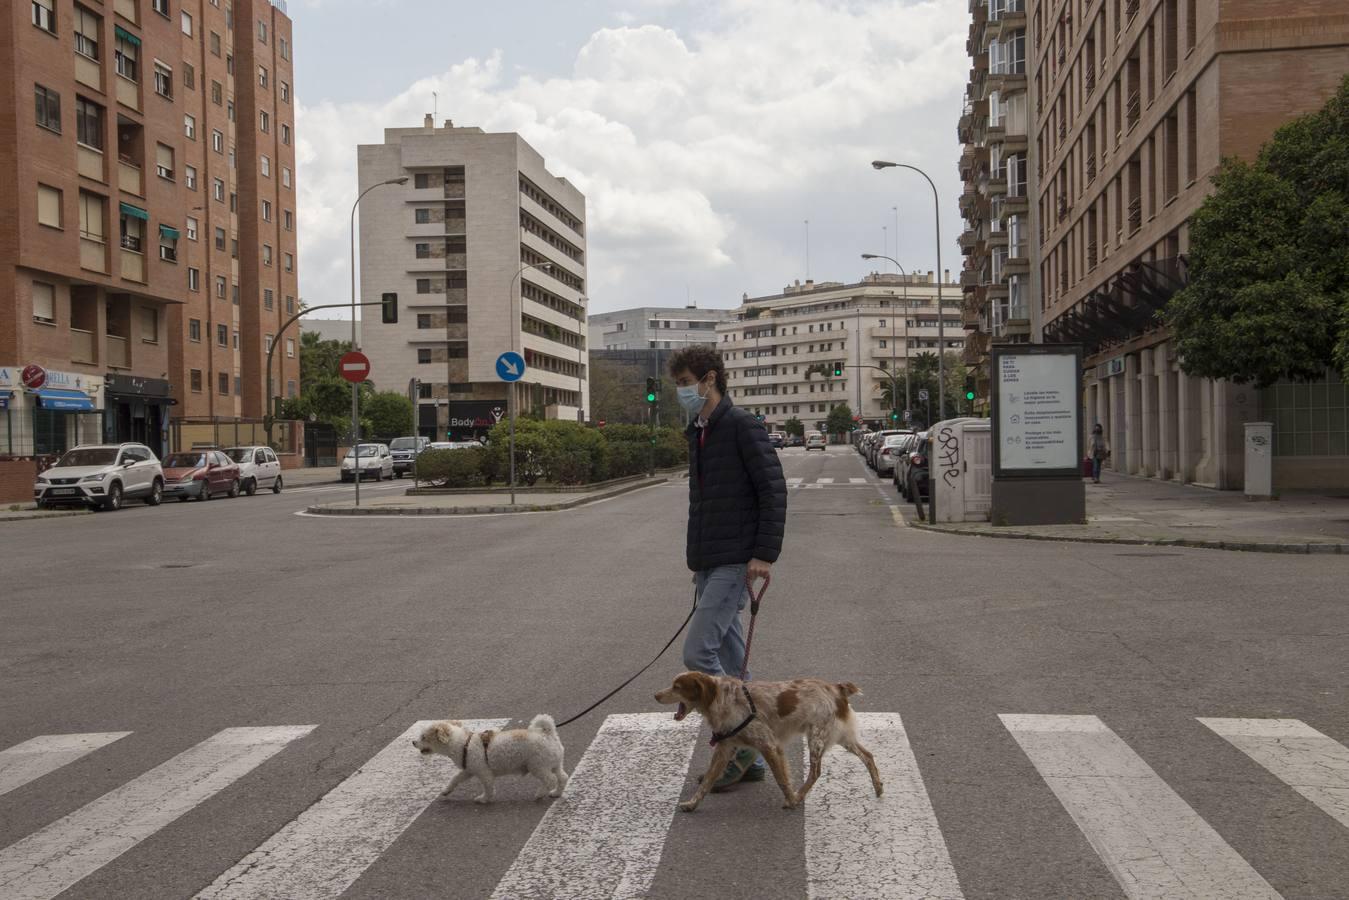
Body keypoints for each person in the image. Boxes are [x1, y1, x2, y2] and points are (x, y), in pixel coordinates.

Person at [670, 345, 787, 791]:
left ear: (710, 379)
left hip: (736, 560)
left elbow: (772, 492)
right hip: (711, 562)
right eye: (678, 385)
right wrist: (698, 561)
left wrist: (763, 555)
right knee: (735, 667)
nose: (681, 392)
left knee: (698, 654)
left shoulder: (741, 426)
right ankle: (755, 754)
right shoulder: (699, 431)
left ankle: (732, 748)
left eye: (685, 383)